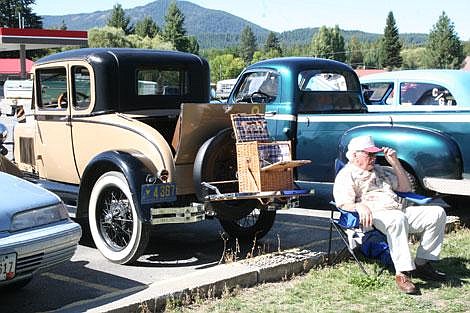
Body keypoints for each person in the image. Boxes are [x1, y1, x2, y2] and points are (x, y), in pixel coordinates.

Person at [333, 135, 447, 294]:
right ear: (354, 155)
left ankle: (422, 264)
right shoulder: (347, 175)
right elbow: (343, 203)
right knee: (397, 218)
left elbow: (406, 189)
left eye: (374, 154)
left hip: (397, 209)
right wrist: (359, 206)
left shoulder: (382, 170)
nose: (373, 158)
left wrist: (394, 162)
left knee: (437, 213)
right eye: (369, 154)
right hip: (375, 215)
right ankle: (403, 273)